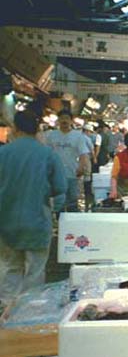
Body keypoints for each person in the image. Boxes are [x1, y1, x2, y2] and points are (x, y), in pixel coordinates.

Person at [0, 110, 66, 296]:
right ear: (37, 129)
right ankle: (28, 316)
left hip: (5, 223)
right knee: (35, 271)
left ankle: (7, 315)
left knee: (10, 269)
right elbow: (60, 187)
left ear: (15, 128)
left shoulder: (2, 153)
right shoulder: (47, 154)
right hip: (37, 221)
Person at [45, 110, 90, 212]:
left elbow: (83, 154)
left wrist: (81, 167)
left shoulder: (78, 136)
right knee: (58, 201)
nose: (64, 121)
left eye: (67, 118)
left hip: (72, 172)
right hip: (56, 174)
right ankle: (59, 222)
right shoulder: (52, 136)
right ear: (58, 120)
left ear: (71, 121)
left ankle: (71, 223)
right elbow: (47, 153)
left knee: (72, 200)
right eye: (62, 118)